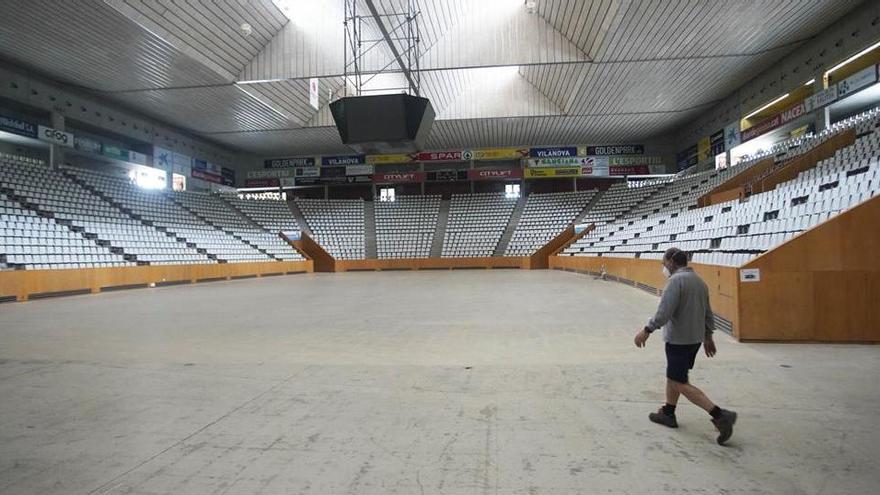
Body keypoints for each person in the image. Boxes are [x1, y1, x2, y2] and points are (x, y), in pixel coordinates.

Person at [633, 247, 738, 445]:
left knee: (678, 382)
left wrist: (646, 330)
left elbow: (663, 313)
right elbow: (708, 312)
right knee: (675, 376)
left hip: (678, 339)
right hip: (694, 339)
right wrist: (708, 337)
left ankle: (719, 414)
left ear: (672, 262)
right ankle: (669, 413)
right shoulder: (700, 282)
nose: (663, 267)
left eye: (664, 263)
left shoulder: (675, 282)